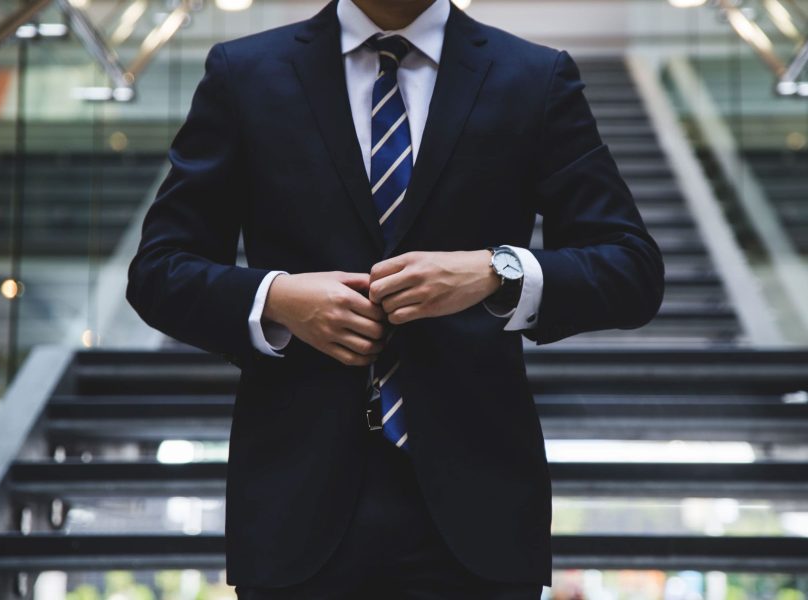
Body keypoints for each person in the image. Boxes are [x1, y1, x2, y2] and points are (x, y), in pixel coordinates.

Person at [126, 0, 664, 596]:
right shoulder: (245, 72)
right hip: (295, 505)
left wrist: (497, 270)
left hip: (477, 511)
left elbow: (630, 268)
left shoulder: (533, 76)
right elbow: (158, 270)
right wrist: (275, 297)